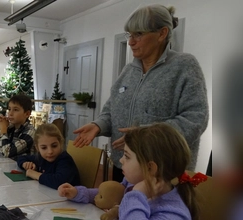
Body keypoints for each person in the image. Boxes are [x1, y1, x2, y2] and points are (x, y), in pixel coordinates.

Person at [73, 4, 209, 182]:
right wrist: (98, 125)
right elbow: (111, 110)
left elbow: (196, 119)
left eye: (139, 34)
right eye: (130, 34)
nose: (131, 42)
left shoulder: (184, 66)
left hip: (161, 173)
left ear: (162, 34)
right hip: (123, 167)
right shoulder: (128, 71)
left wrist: (146, 135)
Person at [59, 123, 208, 220]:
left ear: (150, 168)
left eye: (127, 156)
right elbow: (109, 194)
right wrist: (78, 193)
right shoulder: (133, 183)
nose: (121, 160)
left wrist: (137, 194)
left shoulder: (174, 215)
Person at [17, 124, 80, 189]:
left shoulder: (64, 159)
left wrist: (34, 174)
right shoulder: (40, 157)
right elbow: (22, 158)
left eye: (54, 146)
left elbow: (60, 182)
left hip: (69, 198)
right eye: (44, 148)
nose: (50, 151)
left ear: (60, 143)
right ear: (37, 148)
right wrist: (25, 164)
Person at [0, 94, 35, 159]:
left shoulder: (30, 131)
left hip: (22, 168)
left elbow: (7, 153)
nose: (10, 113)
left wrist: (3, 129)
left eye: (15, 110)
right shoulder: (11, 128)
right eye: (9, 109)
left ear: (27, 114)